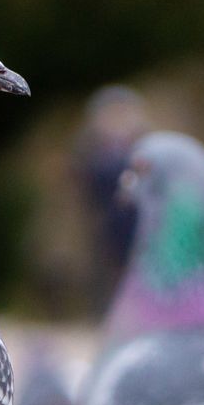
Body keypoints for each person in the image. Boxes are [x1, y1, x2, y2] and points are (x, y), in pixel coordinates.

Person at [71, 85, 150, 312]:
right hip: (105, 220)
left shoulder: (143, 149)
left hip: (136, 221)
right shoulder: (91, 150)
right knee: (104, 267)